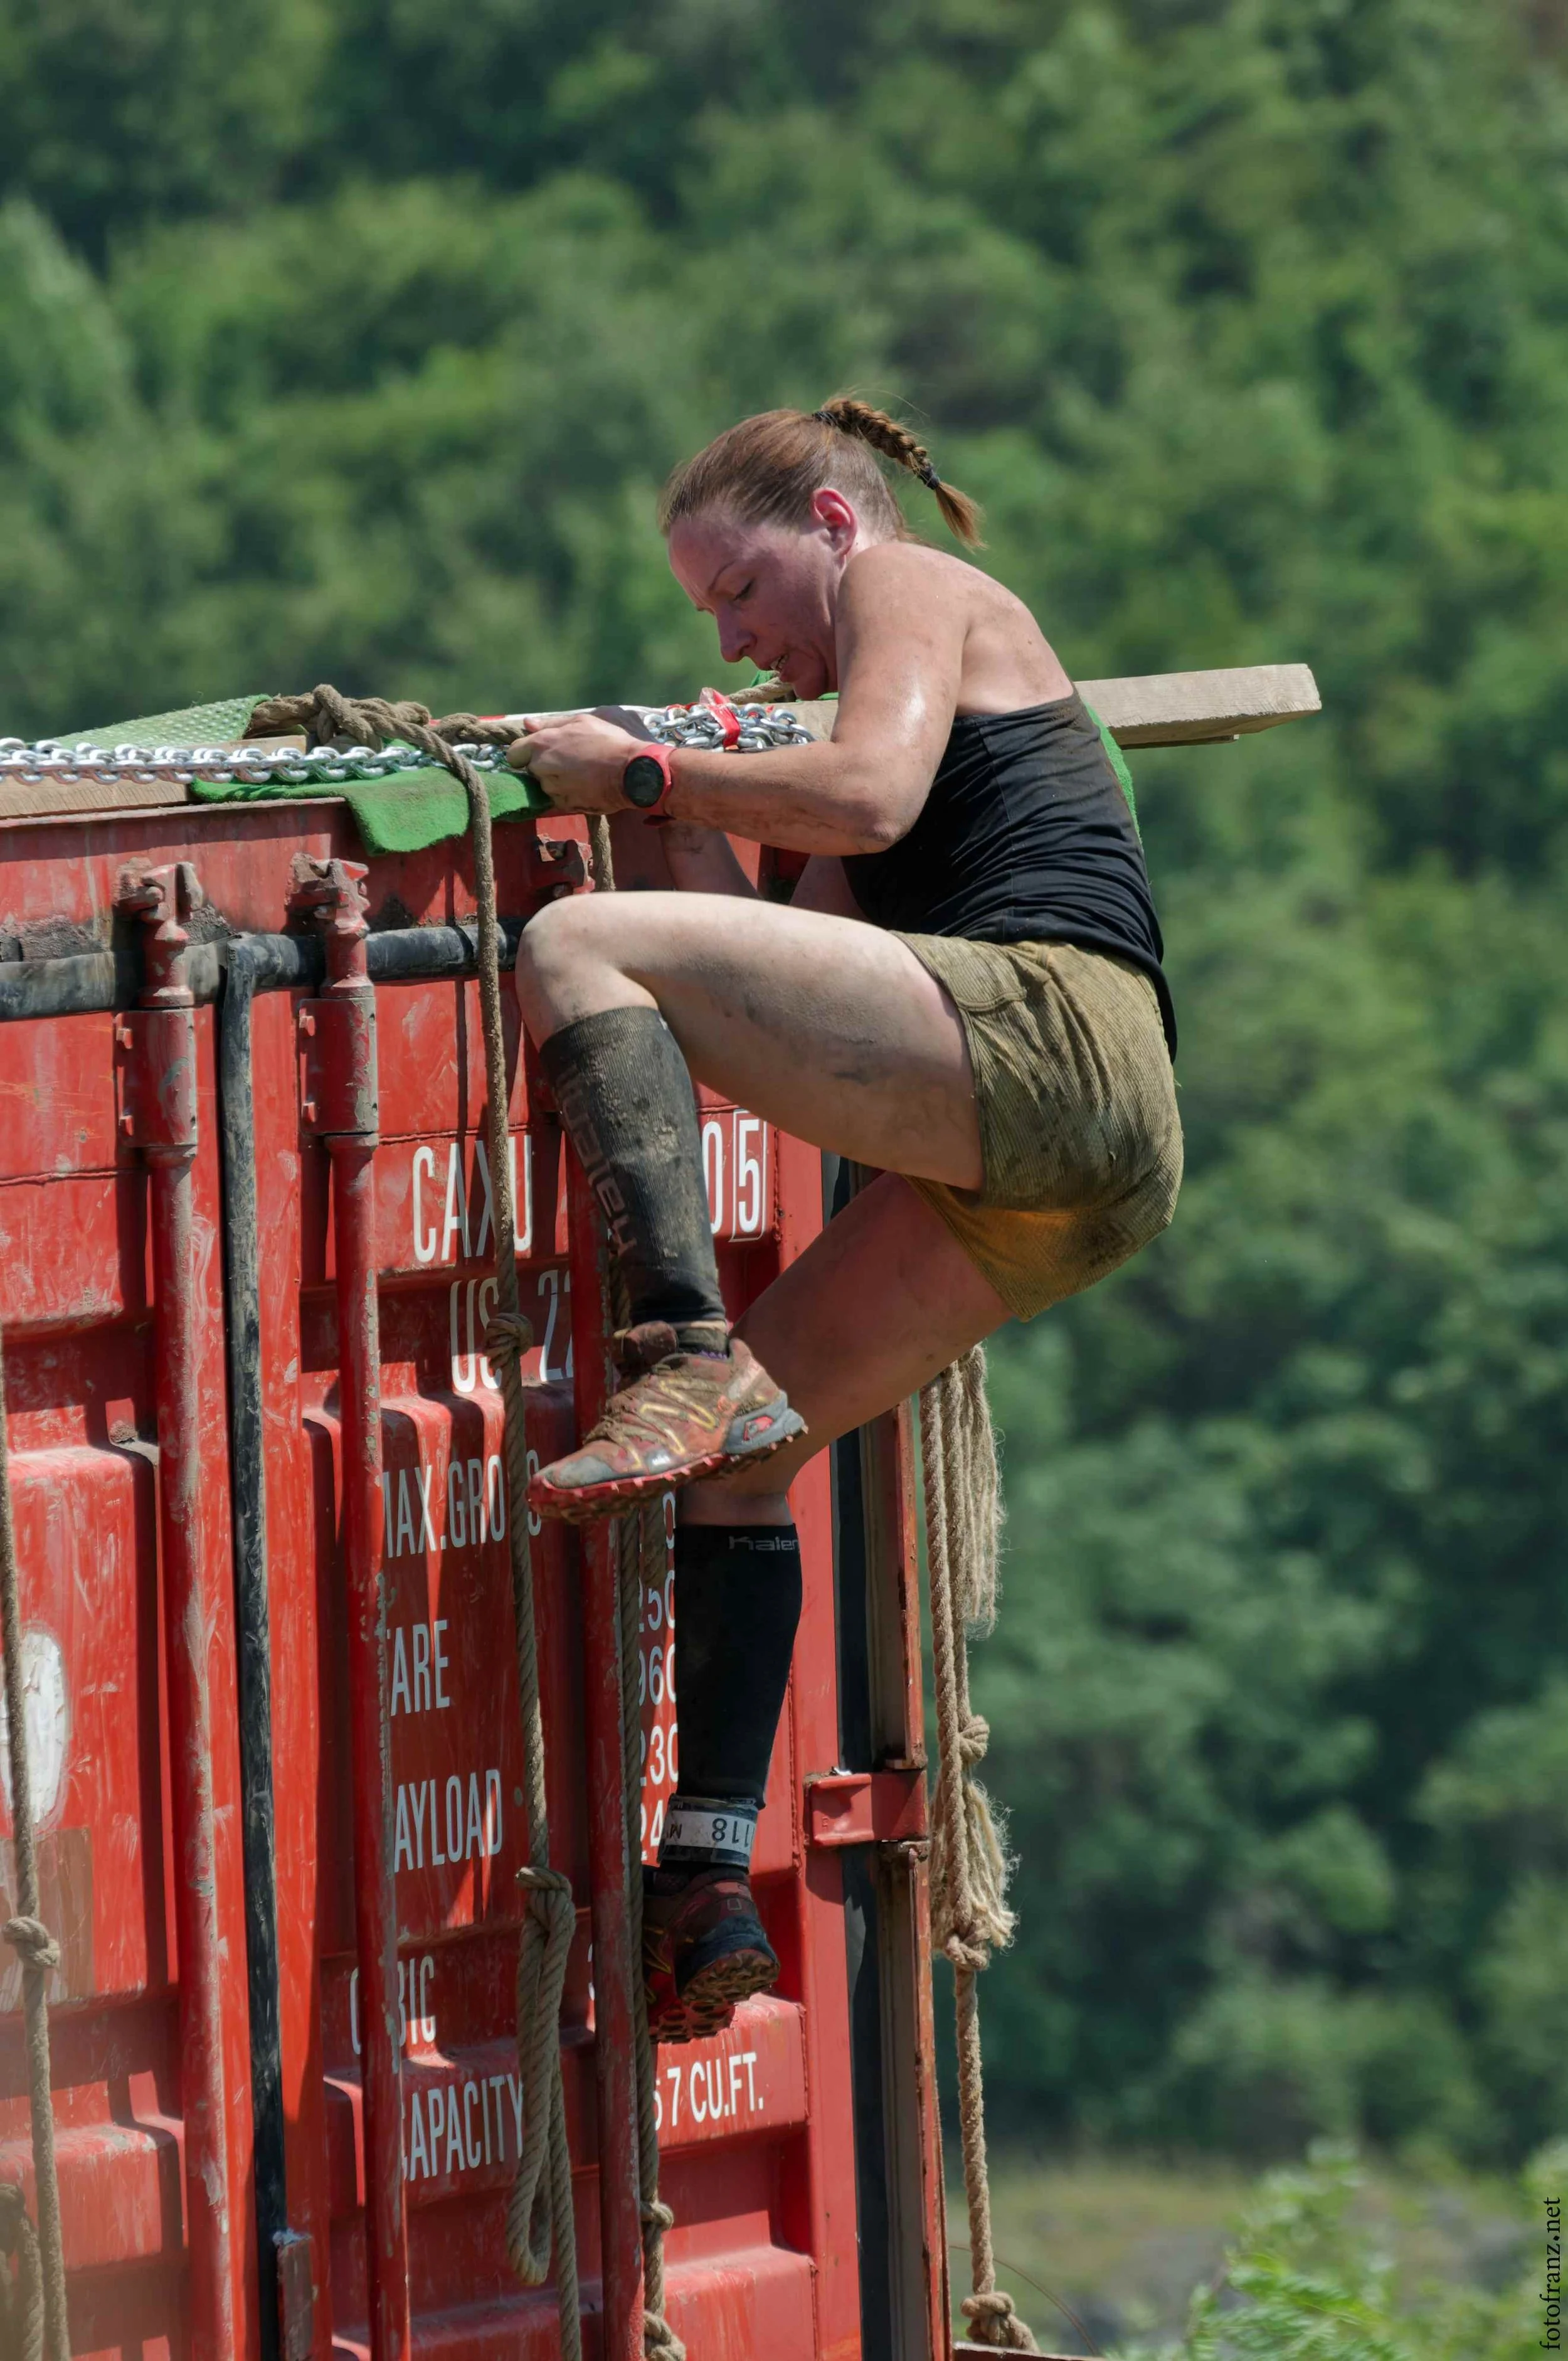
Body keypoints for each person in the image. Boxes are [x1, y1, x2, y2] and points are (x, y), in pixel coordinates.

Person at [506, 396, 1182, 2041]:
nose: (735, 642)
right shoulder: (863, 684)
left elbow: (869, 797)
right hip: (1085, 1161)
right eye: (707, 619)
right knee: (746, 1453)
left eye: (741, 592)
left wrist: (643, 763)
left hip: (1046, 1031)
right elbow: (789, 990)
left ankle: (675, 1348)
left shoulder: (910, 585)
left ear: (828, 520)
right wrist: (676, 820)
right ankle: (704, 1881)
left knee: (570, 948)